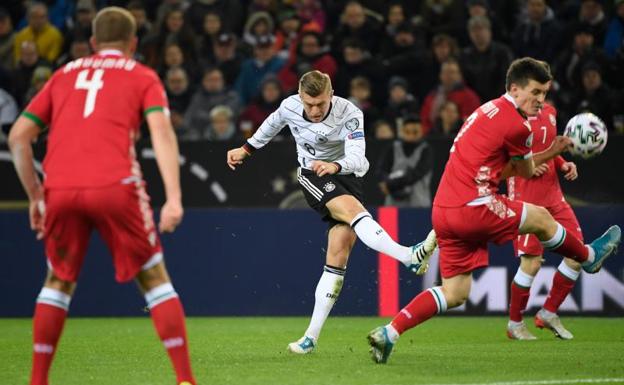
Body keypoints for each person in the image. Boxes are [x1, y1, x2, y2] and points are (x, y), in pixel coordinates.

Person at [367, 57, 621, 364]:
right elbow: (526, 172)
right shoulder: (518, 125)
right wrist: (556, 149)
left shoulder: (484, 111)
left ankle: (390, 332)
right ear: (515, 88)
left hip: (443, 209)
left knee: (455, 293)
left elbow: (499, 172)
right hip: (474, 205)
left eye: (544, 93)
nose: (540, 100)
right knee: (542, 218)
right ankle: (589, 258)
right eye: (536, 92)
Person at [8, 7, 195, 385]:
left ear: (92, 43)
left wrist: (34, 195)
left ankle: (37, 380)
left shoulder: (63, 75)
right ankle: (185, 380)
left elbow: (17, 137)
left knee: (57, 281)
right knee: (155, 278)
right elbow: (161, 132)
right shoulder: (143, 75)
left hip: (60, 188)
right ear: (133, 43)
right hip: (115, 186)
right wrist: (173, 197)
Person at [226, 70, 437, 355]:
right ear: (300, 97)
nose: (314, 110)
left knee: (337, 254)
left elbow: (357, 156)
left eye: (320, 104)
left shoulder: (349, 113)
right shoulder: (290, 106)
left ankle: (309, 339)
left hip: (347, 175)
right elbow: (272, 124)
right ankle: (408, 256)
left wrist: (336, 166)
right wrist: (246, 149)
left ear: (332, 95)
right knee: (353, 212)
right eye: (309, 104)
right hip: (312, 173)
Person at [506, 102, 583, 340]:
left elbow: (549, 147)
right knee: (531, 263)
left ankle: (548, 312)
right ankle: (515, 324)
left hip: (553, 195)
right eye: (535, 88)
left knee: (577, 254)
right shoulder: (509, 115)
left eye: (543, 88)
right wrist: (527, 166)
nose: (540, 94)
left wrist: (563, 163)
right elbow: (503, 156)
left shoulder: (550, 111)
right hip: (526, 196)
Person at [376, 116, 433, 207]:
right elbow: (381, 170)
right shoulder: (393, 147)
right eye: (407, 132)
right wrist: (384, 181)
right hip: (392, 204)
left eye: (415, 132)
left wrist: (390, 184)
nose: (411, 135)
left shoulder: (425, 150)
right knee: (386, 221)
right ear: (402, 131)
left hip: (418, 205)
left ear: (421, 131)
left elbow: (417, 174)